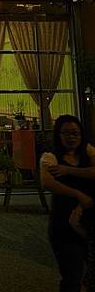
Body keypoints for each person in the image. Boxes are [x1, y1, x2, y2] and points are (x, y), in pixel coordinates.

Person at [40, 114, 95, 292]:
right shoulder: (50, 157)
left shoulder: (88, 152)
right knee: (72, 276)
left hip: (89, 222)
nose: (72, 137)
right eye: (66, 133)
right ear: (59, 135)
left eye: (75, 133)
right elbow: (47, 182)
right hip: (63, 224)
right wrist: (78, 194)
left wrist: (67, 170)